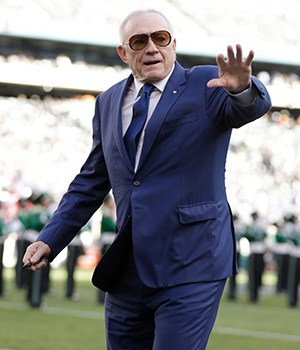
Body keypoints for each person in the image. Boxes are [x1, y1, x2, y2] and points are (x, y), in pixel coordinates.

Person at [23, 8, 271, 349]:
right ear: (124, 53)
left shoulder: (206, 83)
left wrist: (242, 89)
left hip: (192, 263)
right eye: (140, 41)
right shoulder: (108, 101)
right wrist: (51, 238)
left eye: (161, 38)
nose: (152, 48)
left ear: (173, 44)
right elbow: (92, 181)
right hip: (128, 268)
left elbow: (247, 107)